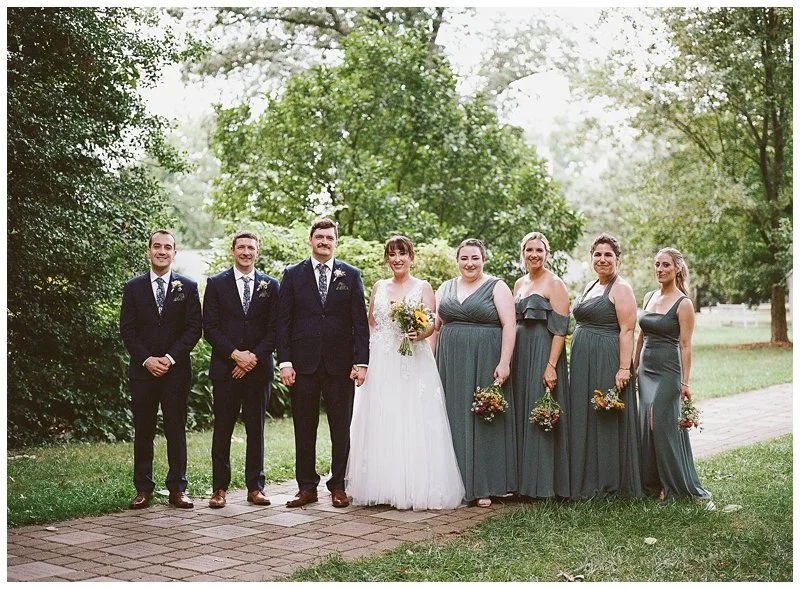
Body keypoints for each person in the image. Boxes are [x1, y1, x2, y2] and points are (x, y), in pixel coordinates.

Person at [345, 236, 465, 510]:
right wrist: (362, 361)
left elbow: (432, 323)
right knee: (381, 417)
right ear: (386, 259)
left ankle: (412, 487)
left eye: (402, 253)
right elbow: (371, 325)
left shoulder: (422, 287)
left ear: (411, 257)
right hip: (380, 360)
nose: (397, 259)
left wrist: (419, 332)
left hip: (412, 360)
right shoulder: (378, 286)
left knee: (412, 417)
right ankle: (381, 485)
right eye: (392, 254)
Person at [277, 218, 370, 508]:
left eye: (330, 238)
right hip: (302, 364)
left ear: (336, 242)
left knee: (341, 428)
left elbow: (359, 322)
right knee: (304, 427)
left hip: (339, 365)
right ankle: (306, 487)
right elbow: (284, 321)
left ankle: (338, 485)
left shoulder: (350, 275)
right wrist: (285, 362)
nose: (324, 242)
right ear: (310, 240)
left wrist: (362, 362)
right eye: (320, 237)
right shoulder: (292, 274)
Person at [120, 229, 202, 510]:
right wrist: (147, 359)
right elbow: (127, 330)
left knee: (175, 428)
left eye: (168, 247)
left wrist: (169, 358)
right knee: (143, 429)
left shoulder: (188, 287)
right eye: (157, 246)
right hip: (143, 371)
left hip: (175, 371)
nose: (162, 251)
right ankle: (143, 488)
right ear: (149, 251)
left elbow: (194, 329)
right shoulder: (133, 287)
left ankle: (178, 488)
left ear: (174, 253)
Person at [434, 238, 517, 508]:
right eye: (464, 258)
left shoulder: (497, 286)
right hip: (450, 362)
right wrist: (431, 362)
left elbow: (509, 325)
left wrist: (504, 362)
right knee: (452, 417)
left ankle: (484, 484)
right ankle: (454, 483)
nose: (469, 263)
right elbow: (434, 327)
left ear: (484, 260)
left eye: (475, 258)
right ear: (457, 261)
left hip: (485, 359)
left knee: (483, 418)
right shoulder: (445, 287)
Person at [203, 230, 280, 508]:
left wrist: (252, 359)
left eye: (251, 248)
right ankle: (219, 489)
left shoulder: (271, 286)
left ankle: (255, 487)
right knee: (222, 429)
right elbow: (209, 328)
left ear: (257, 252)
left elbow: (275, 329)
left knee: (255, 430)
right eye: (241, 247)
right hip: (226, 369)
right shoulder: (216, 283)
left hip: (258, 371)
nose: (246, 252)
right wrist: (236, 356)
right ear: (232, 251)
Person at [634, 248, 712, 503]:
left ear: (677, 268)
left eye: (665, 265)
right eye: (656, 264)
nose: (660, 269)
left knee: (662, 424)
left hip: (668, 370)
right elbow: (641, 336)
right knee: (646, 424)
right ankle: (652, 483)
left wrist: (685, 382)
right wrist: (634, 367)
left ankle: (673, 485)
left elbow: (686, 345)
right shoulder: (648, 297)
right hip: (646, 370)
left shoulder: (684, 303)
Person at [568, 233, 642, 499]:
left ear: (618, 259)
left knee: (606, 417)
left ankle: (610, 482)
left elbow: (627, 329)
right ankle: (586, 477)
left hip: (606, 358)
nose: (602, 259)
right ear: (591, 259)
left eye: (608, 255)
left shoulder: (621, 288)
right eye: (597, 255)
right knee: (585, 415)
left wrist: (624, 368)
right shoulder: (590, 286)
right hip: (582, 361)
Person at [511, 232, 571, 499]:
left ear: (547, 253)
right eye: (529, 250)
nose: (534, 254)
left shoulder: (555, 284)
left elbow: (560, 330)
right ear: (523, 252)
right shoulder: (519, 283)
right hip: (520, 352)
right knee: (522, 410)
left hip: (543, 350)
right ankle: (523, 482)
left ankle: (543, 485)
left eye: (539, 250)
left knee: (540, 409)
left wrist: (551, 365)